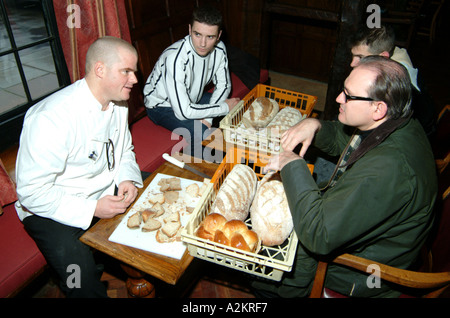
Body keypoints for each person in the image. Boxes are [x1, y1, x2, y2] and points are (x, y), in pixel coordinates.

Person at [255, 56, 437, 297]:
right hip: (373, 237)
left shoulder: (388, 170)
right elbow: (348, 141)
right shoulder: (396, 121)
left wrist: (292, 163)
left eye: (348, 96)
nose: (339, 98)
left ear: (378, 108)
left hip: (358, 272)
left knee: (269, 261)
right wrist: (315, 125)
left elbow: (318, 235)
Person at [15, 36, 143, 298]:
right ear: (100, 69)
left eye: (134, 71)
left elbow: (123, 151)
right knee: (82, 283)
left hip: (105, 189)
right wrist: (93, 208)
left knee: (168, 197)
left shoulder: (119, 101)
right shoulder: (51, 118)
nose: (135, 80)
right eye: (126, 72)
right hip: (51, 207)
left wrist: (127, 178)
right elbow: (31, 192)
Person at [143, 5, 240, 158]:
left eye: (210, 37)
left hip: (192, 97)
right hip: (162, 106)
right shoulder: (175, 58)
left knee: (236, 107)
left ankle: (239, 157)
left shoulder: (219, 49)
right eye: (197, 34)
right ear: (189, 30)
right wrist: (221, 109)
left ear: (219, 35)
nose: (202, 43)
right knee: (201, 132)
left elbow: (223, 85)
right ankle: (200, 173)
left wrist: (208, 118)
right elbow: (183, 112)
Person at [349, 24, 436, 139]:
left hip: (412, 139)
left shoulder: (393, 86)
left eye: (360, 57)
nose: (352, 63)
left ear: (383, 56)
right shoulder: (394, 53)